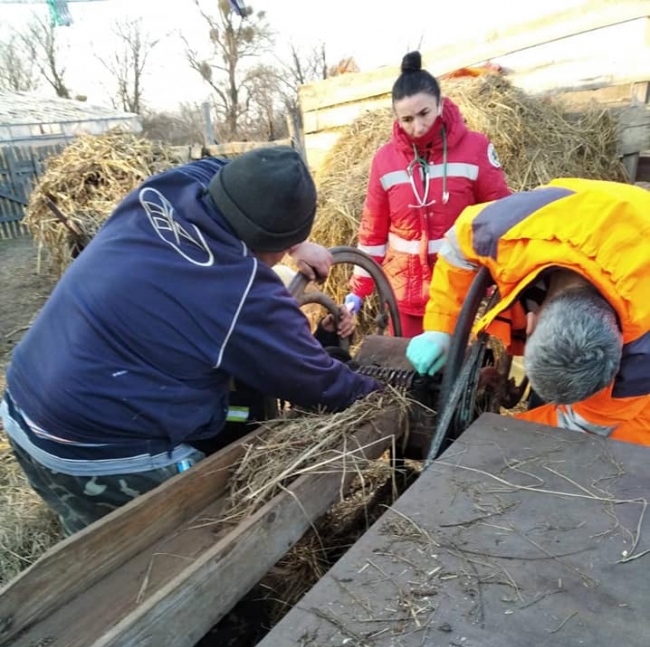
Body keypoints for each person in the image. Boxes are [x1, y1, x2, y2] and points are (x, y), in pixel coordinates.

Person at [1, 147, 381, 535]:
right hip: (97, 455)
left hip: (20, 409)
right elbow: (322, 385)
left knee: (86, 535)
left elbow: (227, 169)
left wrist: (296, 245)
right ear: (274, 242)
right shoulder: (242, 291)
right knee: (193, 544)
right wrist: (384, 396)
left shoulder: (170, 187)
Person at [406, 177, 650, 446]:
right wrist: (440, 328)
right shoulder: (510, 230)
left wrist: (484, 437)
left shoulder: (642, 354)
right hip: (574, 215)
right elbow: (456, 247)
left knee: (628, 439)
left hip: (630, 239)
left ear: (621, 349)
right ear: (530, 323)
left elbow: (589, 425)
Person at [345, 50, 510, 338]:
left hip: (459, 294)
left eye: (424, 114)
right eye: (406, 119)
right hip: (403, 297)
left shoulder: (475, 148)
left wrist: (502, 279)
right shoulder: (384, 160)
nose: (417, 127)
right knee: (408, 372)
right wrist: (358, 291)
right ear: (396, 117)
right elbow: (373, 232)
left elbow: (499, 217)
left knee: (455, 374)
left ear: (440, 103)